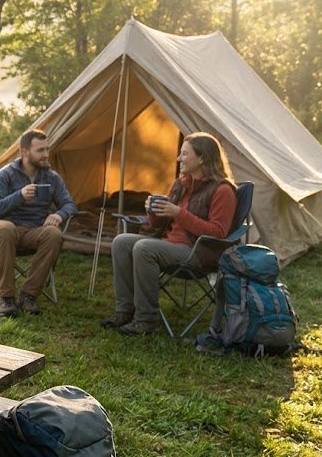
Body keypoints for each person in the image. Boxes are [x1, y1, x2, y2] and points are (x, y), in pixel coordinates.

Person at [102, 132, 238, 336]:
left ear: (201, 159)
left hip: (198, 253)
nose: (178, 158)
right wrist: (153, 210)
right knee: (121, 242)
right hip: (170, 245)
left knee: (144, 248)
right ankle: (125, 311)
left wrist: (179, 214)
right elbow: (158, 225)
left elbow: (218, 233)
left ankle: (146, 319)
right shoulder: (180, 184)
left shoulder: (223, 191)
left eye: (184, 154)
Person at [0, 128, 77, 317]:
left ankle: (29, 295)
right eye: (40, 150)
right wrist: (19, 196)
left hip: (33, 231)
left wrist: (59, 215)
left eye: (47, 149)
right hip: (3, 227)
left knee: (54, 234)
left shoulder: (52, 177)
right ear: (24, 152)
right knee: (6, 228)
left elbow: (69, 204)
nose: (46, 155)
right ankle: (6, 298)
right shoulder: (6, 174)